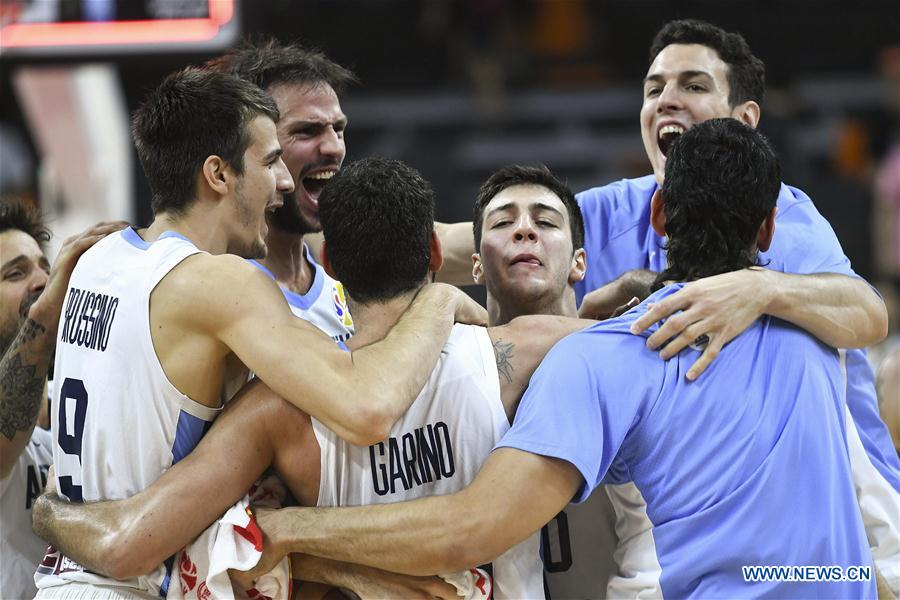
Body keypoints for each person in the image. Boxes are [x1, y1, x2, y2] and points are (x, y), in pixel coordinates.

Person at [241, 119, 877, 599]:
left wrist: (292, 534)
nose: (524, 231)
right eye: (503, 221)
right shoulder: (818, 327)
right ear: (768, 230)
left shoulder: (603, 354)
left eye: (544, 219)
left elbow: (468, 529)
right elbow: (864, 312)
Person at [32, 160, 592, 597]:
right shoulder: (527, 352)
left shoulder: (279, 403)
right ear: (435, 252)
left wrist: (48, 510)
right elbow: (646, 333)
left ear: (331, 266)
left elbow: (159, 539)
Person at [31, 68, 483, 599]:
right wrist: (440, 300)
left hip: (69, 578)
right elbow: (367, 409)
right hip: (134, 585)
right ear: (218, 175)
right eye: (270, 162)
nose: (285, 182)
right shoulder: (221, 283)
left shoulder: (97, 256)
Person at [0, 200, 124, 599]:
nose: (42, 280)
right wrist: (49, 309)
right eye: (15, 273)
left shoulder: (77, 400)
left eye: (44, 268)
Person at [209, 40, 357, 344]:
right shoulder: (210, 293)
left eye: (338, 129)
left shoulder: (349, 273)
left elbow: (447, 245)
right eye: (307, 131)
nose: (334, 148)